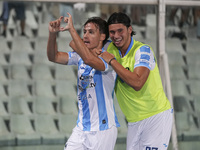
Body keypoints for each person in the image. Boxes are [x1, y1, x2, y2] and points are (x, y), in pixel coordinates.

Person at [100, 12, 173, 150]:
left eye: (120, 30)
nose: (116, 36)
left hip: (155, 117)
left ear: (130, 29)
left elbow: (137, 83)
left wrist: (112, 61)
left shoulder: (143, 50)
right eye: (112, 32)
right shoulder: (110, 48)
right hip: (134, 121)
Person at [47, 13, 120, 150]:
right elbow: (54, 56)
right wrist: (52, 34)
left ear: (102, 37)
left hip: (102, 129)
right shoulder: (79, 56)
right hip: (81, 128)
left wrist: (71, 30)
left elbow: (89, 60)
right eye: (84, 32)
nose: (85, 35)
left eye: (91, 32)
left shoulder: (109, 57)